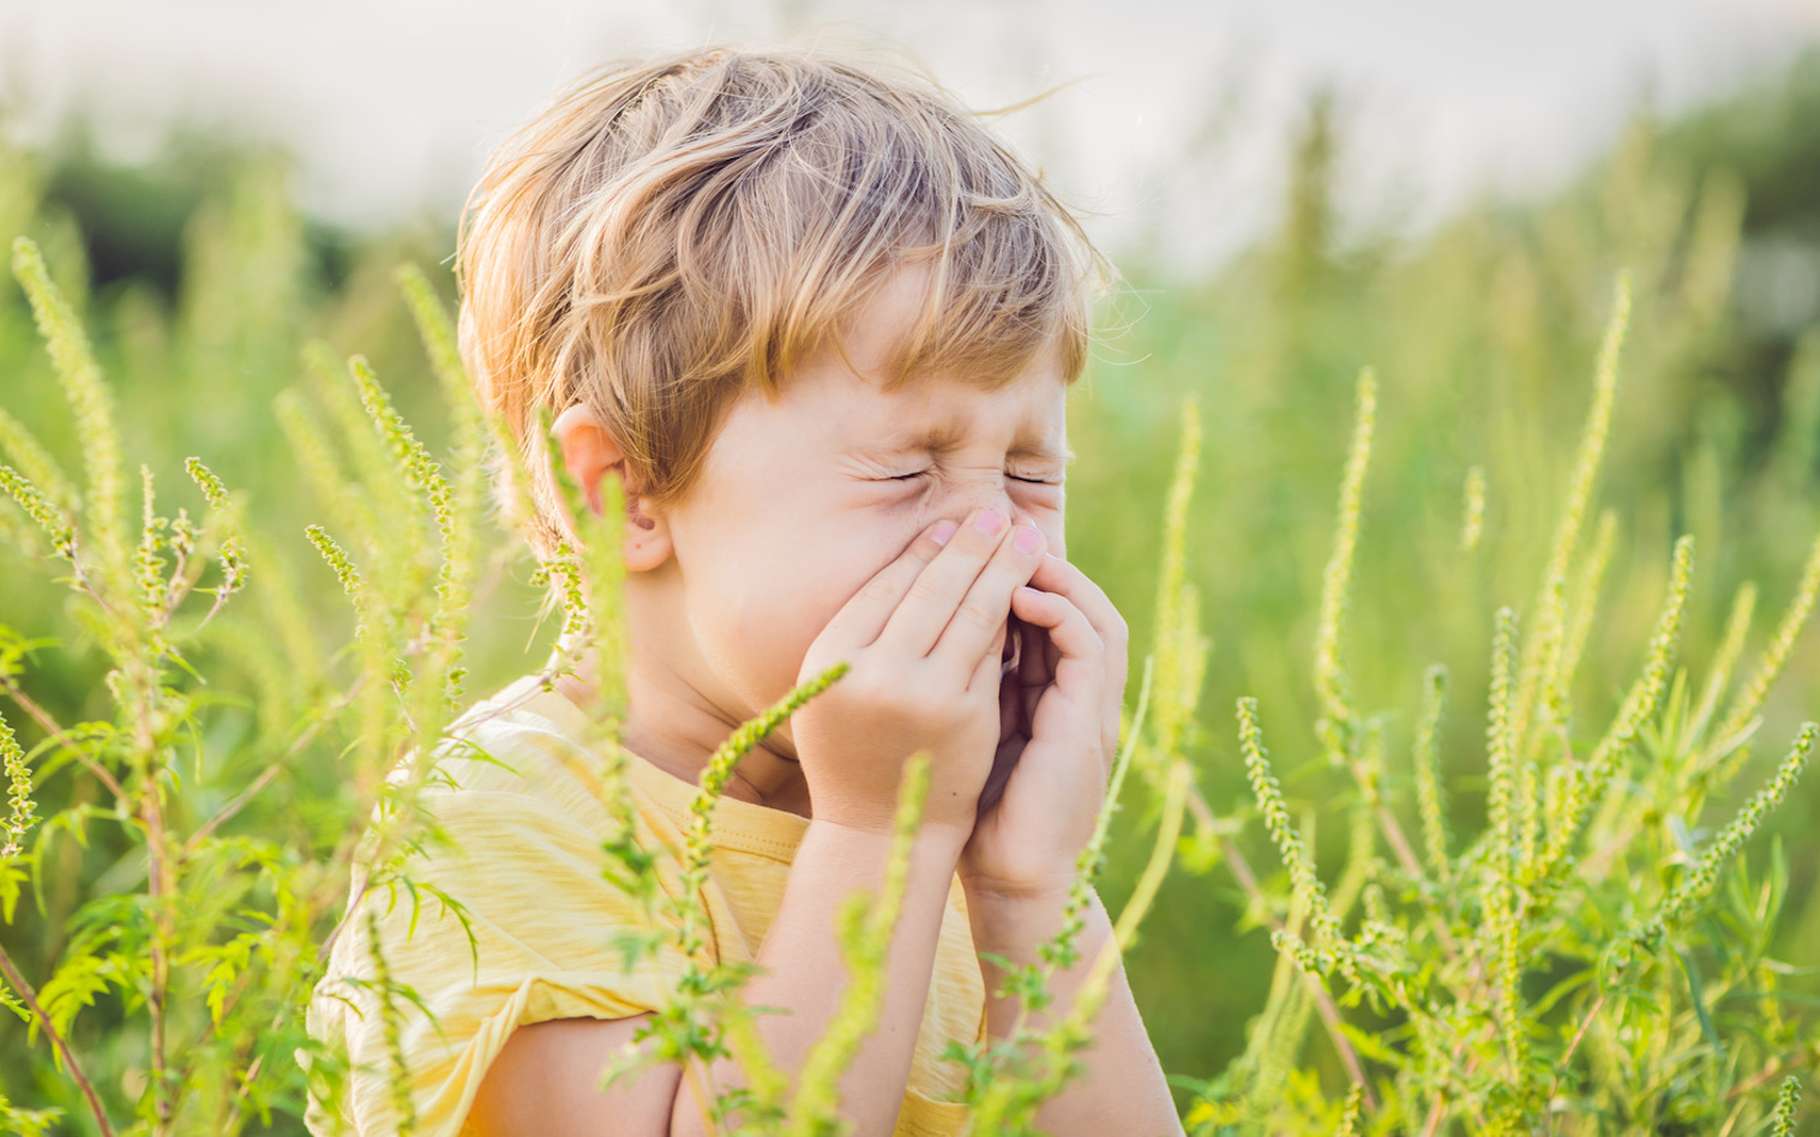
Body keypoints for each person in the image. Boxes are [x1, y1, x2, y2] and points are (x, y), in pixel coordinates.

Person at [302, 42, 1182, 1137]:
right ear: (622, 495)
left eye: (1027, 474)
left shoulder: (963, 829)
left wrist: (1030, 894)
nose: (995, 542)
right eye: (907, 471)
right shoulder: (499, 827)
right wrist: (882, 840)